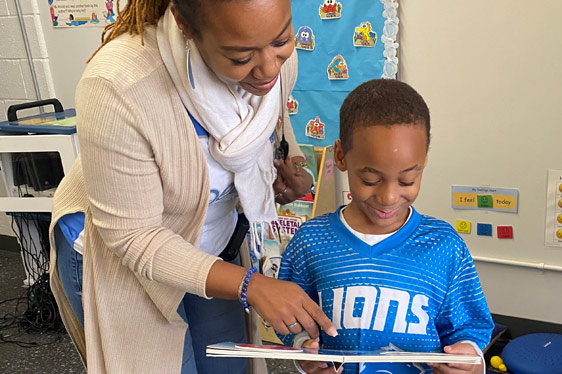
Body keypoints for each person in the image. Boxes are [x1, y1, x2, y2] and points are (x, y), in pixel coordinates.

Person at [48, 1, 337, 373]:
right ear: (184, 23)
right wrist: (250, 285)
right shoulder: (119, 85)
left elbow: (266, 117)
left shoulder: (274, 61)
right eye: (241, 56)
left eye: (282, 40)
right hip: (124, 253)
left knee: (227, 363)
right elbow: (135, 236)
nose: (269, 69)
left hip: (214, 243)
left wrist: (288, 164)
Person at [278, 79, 494, 374]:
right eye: (370, 180)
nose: (389, 197)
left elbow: (469, 327)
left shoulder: (444, 246)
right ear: (341, 156)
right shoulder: (311, 242)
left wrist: (469, 360)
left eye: (407, 180)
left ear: (424, 162)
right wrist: (304, 351)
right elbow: (290, 321)